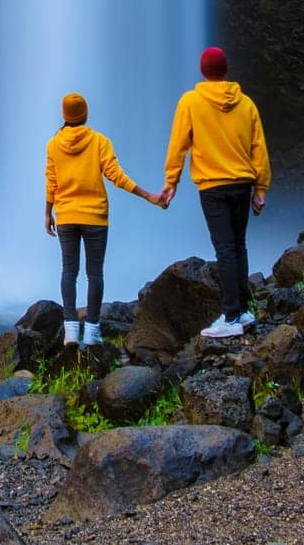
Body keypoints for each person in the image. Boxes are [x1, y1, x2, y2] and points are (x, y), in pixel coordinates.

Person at [160, 45, 271, 340]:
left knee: (224, 248)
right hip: (241, 184)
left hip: (213, 186)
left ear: (203, 71)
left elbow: (178, 145)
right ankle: (244, 309)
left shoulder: (191, 102)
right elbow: (258, 148)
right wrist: (260, 188)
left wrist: (171, 182)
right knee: (238, 245)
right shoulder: (246, 103)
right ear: (225, 70)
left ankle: (231, 315)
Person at [45, 92, 163, 346]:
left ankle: (70, 331)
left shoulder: (54, 144)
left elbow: (51, 181)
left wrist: (47, 212)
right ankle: (92, 331)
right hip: (95, 217)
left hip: (65, 215)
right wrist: (147, 195)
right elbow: (116, 176)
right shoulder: (99, 141)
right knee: (94, 273)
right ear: (85, 115)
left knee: (69, 270)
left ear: (65, 116)